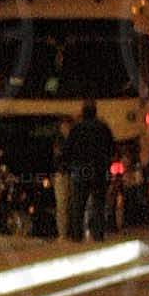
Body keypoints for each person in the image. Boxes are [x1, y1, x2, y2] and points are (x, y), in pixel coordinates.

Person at [57, 100, 117, 241]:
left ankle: (77, 235)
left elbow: (68, 149)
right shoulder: (103, 127)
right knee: (98, 204)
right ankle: (98, 234)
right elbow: (111, 148)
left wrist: (65, 164)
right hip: (99, 170)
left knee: (78, 205)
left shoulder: (76, 128)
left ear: (83, 112)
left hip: (80, 170)